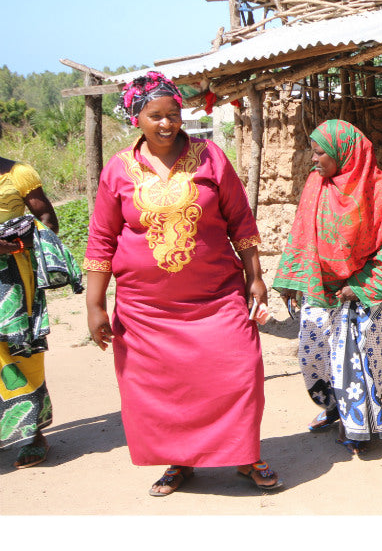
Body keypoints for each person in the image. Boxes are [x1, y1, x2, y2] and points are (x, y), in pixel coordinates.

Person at [84, 71, 281, 497]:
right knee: (166, 389)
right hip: (146, 310)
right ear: (136, 118)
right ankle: (179, 460)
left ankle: (245, 455)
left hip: (217, 299)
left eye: (173, 114)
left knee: (239, 372)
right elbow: (101, 238)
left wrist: (256, 277)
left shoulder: (210, 157)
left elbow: (240, 221)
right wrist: (94, 305)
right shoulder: (118, 169)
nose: (166, 123)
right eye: (155, 115)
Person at [273, 119, 382, 457]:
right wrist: (291, 279)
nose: (313, 159)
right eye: (312, 152)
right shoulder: (315, 184)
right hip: (321, 288)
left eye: (320, 153)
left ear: (343, 153)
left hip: (362, 289)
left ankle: (358, 424)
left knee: (357, 359)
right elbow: (302, 231)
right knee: (314, 355)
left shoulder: (379, 188)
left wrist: (360, 285)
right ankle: (335, 407)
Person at [0, 155, 62, 468]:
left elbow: (47, 219)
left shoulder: (18, 174)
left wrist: (17, 244)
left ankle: (33, 433)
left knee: (21, 350)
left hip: (13, 277)